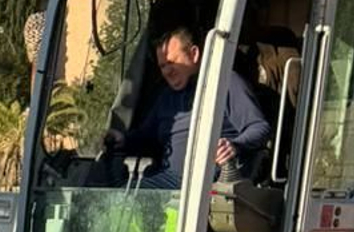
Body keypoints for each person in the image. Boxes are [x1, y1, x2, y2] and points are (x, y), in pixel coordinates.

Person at [106, 26, 269, 189]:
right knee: (113, 192)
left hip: (209, 184)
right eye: (162, 66)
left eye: (171, 62)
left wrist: (235, 145)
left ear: (194, 54)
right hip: (168, 180)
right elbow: (147, 136)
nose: (167, 72)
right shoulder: (165, 97)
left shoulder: (225, 83)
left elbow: (259, 127)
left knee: (131, 198)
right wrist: (123, 139)